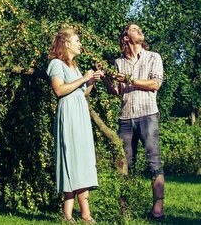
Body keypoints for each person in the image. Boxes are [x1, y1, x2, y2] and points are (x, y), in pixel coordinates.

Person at [103, 23, 166, 221]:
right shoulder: (119, 63)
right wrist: (106, 78)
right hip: (126, 119)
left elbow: (155, 84)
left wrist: (129, 79)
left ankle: (157, 210)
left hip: (148, 115)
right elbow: (116, 91)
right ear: (125, 38)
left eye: (139, 29)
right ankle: (124, 208)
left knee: (153, 162)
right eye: (133, 29)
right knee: (124, 164)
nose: (139, 30)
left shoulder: (153, 57)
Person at [46, 26, 104, 223]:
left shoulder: (74, 65)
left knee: (83, 158)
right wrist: (83, 78)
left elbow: (80, 92)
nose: (80, 44)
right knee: (71, 157)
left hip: (80, 114)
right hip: (68, 115)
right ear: (67, 43)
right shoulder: (56, 64)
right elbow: (60, 90)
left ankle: (84, 213)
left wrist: (91, 82)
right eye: (77, 41)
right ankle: (69, 214)